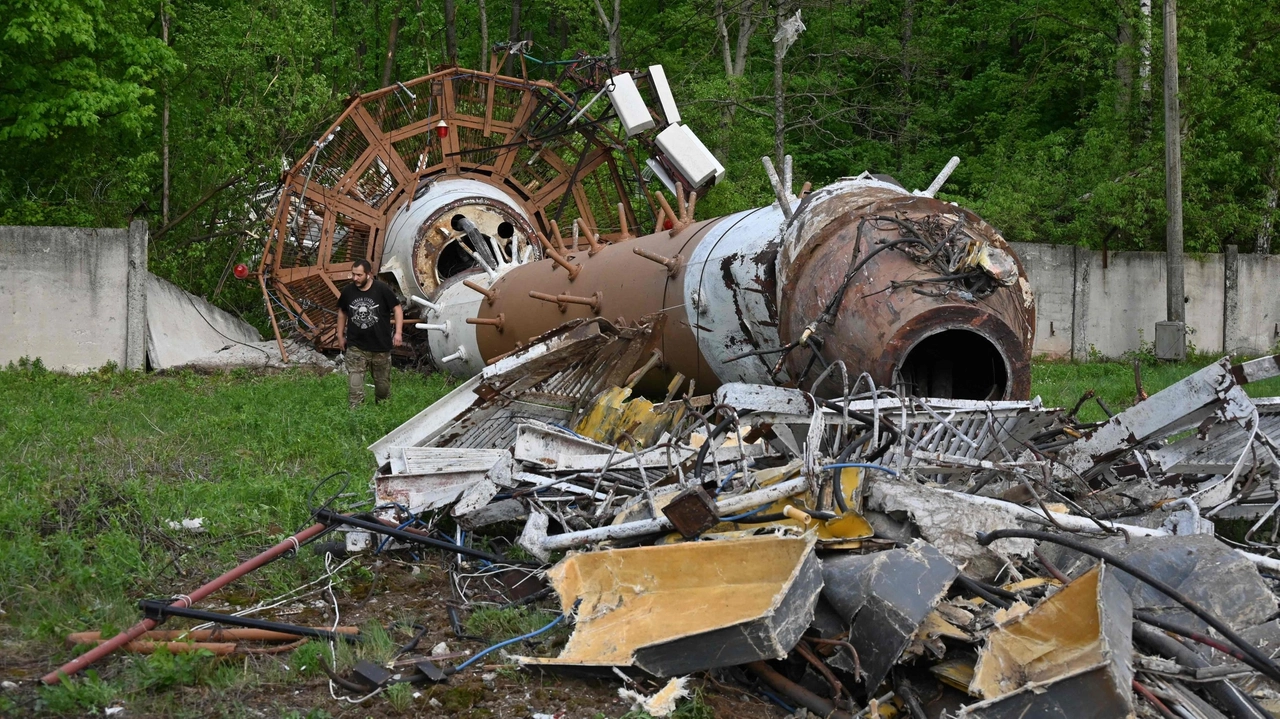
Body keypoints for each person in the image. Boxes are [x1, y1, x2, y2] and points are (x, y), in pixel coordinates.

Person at [337, 259, 403, 407]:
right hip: (356, 346)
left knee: (382, 388)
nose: (355, 278)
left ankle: (383, 412)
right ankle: (356, 419)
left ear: (369, 274)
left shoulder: (382, 289)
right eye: (353, 274)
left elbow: (397, 308)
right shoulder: (348, 291)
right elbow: (342, 312)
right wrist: (340, 335)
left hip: (380, 347)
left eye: (359, 275)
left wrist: (398, 333)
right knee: (355, 388)